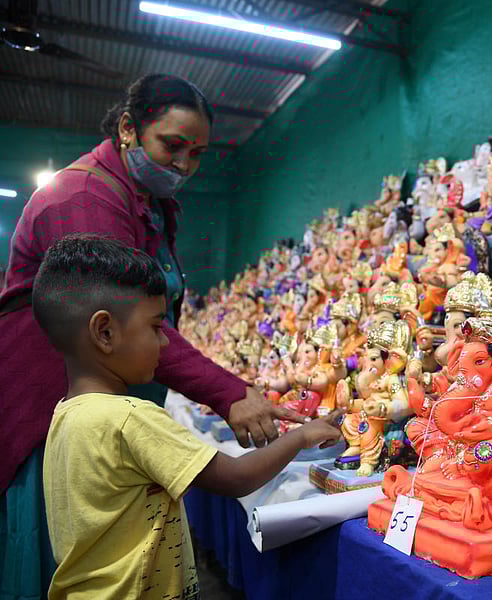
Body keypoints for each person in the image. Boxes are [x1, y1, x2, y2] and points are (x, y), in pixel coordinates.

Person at [0, 74, 292, 599]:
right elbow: (130, 312)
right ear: (129, 129)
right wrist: (231, 394)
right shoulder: (84, 198)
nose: (184, 164)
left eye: (197, 152)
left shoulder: (144, 200)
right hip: (39, 406)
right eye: (172, 145)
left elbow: (143, 321)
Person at [34, 234, 344, 599]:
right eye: (155, 327)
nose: (165, 343)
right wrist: (303, 437)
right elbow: (238, 478)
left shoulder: (66, 414)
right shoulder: (130, 419)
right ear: (105, 333)